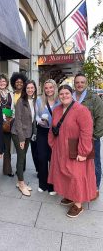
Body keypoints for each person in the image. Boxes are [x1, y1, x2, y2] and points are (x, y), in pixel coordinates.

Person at [48, 84, 96, 218]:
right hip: (60, 148)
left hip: (75, 148)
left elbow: (86, 132)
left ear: (72, 94)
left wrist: (83, 151)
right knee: (64, 173)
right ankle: (70, 195)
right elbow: (53, 128)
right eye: (61, 94)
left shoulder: (81, 110)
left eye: (67, 93)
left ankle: (78, 205)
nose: (64, 96)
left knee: (76, 176)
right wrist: (52, 143)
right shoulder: (56, 110)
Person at [73, 73, 103, 199]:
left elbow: (100, 118)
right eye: (77, 82)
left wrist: (95, 136)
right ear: (74, 84)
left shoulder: (94, 98)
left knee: (94, 163)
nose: (80, 84)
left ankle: (95, 188)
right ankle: (79, 187)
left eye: (82, 82)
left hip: (90, 138)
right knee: (77, 164)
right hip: (74, 139)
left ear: (86, 83)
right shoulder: (71, 97)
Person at [11, 80, 37, 197]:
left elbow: (34, 120)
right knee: (21, 158)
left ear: (35, 89)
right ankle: (21, 184)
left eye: (32, 88)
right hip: (18, 134)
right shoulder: (21, 101)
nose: (30, 90)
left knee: (23, 157)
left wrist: (33, 133)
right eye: (28, 88)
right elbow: (18, 121)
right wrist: (21, 139)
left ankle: (19, 181)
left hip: (28, 134)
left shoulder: (35, 101)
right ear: (25, 89)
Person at [35, 79, 59, 195]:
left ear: (54, 88)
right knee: (42, 158)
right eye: (46, 88)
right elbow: (36, 117)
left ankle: (52, 186)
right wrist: (39, 121)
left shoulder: (60, 101)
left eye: (51, 87)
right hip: (42, 132)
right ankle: (42, 184)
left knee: (53, 159)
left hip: (56, 134)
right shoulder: (39, 101)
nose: (49, 90)